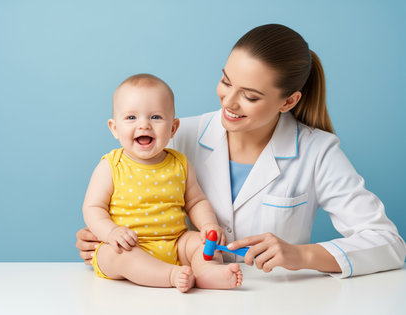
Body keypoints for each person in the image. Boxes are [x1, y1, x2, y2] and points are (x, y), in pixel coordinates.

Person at [77, 24, 406, 278]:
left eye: (250, 96)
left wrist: (301, 255)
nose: (228, 102)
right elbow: (127, 200)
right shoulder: (175, 135)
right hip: (188, 294)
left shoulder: (317, 152)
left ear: (288, 101)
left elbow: (389, 244)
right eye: (225, 81)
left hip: (274, 300)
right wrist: (101, 236)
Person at [82, 73, 243, 292]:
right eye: (131, 118)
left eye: (156, 117)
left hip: (176, 243)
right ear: (114, 128)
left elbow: (196, 201)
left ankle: (207, 272)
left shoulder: (180, 163)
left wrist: (208, 225)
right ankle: (170, 275)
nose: (144, 125)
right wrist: (111, 232)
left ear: (173, 128)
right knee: (117, 255)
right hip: (128, 245)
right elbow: (93, 208)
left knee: (201, 244)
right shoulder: (111, 165)